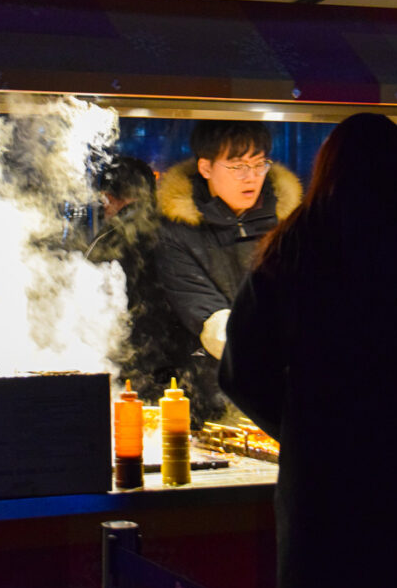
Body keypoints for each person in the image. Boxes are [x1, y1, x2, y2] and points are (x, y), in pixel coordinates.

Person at [219, 113, 397, 588]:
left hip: (321, 491)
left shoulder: (290, 247)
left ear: (326, 167)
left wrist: (301, 427)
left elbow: (240, 370)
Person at [156, 119, 301, 422]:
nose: (250, 177)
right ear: (206, 168)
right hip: (214, 391)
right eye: (236, 167)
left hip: (294, 391)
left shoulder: (293, 224)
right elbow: (209, 318)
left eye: (259, 164)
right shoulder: (177, 229)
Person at [85, 156, 177, 401]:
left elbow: (90, 308)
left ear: (108, 197)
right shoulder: (177, 230)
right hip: (177, 360)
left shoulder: (107, 241)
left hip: (132, 362)